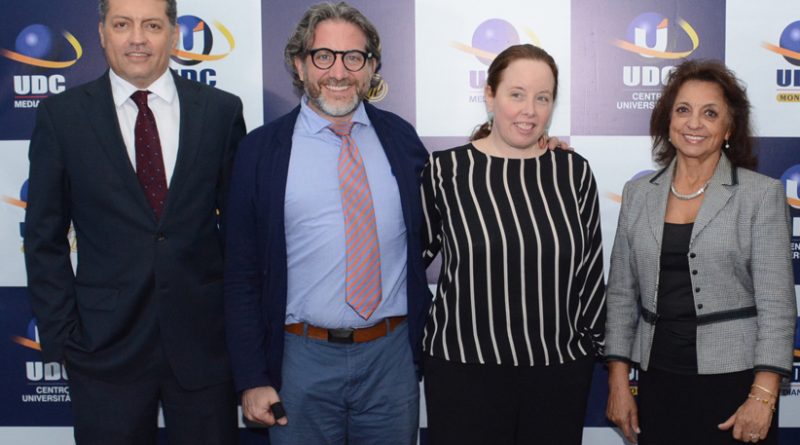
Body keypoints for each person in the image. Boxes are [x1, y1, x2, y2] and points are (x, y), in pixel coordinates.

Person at [23, 0, 246, 443]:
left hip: (203, 347)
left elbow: (241, 232)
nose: (138, 38)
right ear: (102, 33)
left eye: (152, 25)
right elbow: (43, 238)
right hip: (103, 351)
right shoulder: (62, 117)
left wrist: (239, 332)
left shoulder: (220, 111)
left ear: (174, 35)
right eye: (123, 24)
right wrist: (65, 337)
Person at [223, 2, 430, 444]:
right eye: (323, 56)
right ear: (300, 65)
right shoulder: (260, 152)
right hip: (300, 359)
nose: (339, 72)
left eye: (353, 57)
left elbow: (452, 204)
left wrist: (536, 153)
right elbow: (240, 273)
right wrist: (252, 377)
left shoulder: (402, 140)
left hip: (391, 360)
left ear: (371, 67)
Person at [420, 44, 606, 445]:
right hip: (462, 371)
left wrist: (601, 352)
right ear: (490, 95)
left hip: (557, 373)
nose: (530, 111)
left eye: (543, 98)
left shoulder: (573, 172)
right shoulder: (445, 170)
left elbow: (590, 274)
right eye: (516, 94)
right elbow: (407, 261)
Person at [605, 59, 796, 445]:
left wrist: (763, 396)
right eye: (683, 110)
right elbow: (622, 296)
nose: (694, 123)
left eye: (710, 113)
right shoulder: (638, 194)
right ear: (668, 121)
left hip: (736, 388)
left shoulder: (760, 195)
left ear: (728, 128)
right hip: (658, 385)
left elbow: (777, 306)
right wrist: (619, 382)